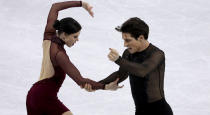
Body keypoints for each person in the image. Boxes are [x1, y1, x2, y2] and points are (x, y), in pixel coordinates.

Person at [26, 1, 112, 115]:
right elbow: (80, 80)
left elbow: (55, 7)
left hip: (32, 96)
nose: (77, 40)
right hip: (44, 98)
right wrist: (105, 86)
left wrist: (82, 4)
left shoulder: (48, 35)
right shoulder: (59, 54)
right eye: (75, 36)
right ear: (64, 35)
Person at [84, 17, 173, 115]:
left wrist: (118, 60)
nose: (125, 44)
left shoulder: (157, 54)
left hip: (159, 111)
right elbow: (121, 74)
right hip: (140, 111)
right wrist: (97, 85)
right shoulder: (128, 53)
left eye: (128, 40)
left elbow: (142, 70)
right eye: (124, 40)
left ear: (141, 38)